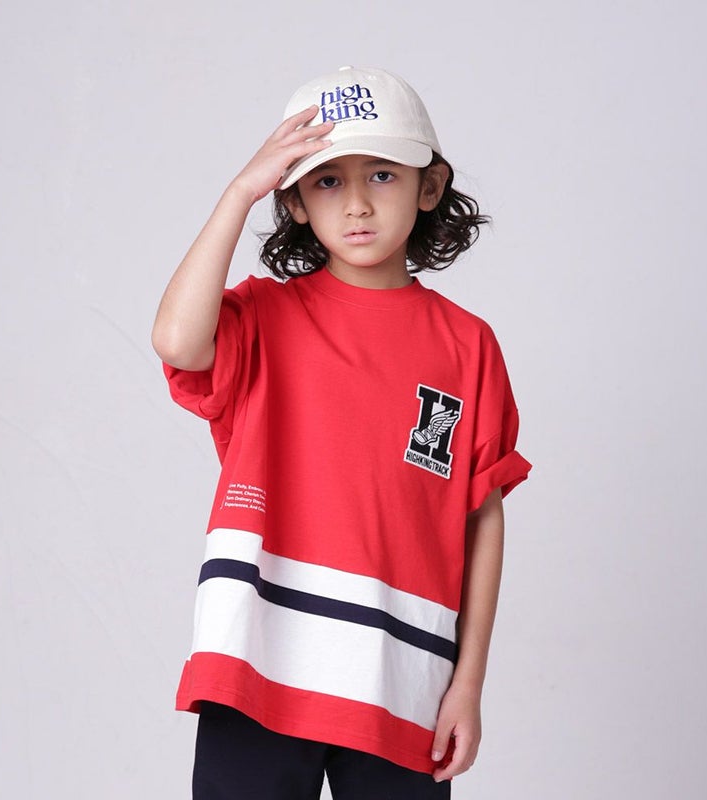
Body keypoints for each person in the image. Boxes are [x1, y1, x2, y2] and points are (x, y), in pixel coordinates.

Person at [152, 66, 531, 800]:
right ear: (294, 200)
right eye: (327, 182)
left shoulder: (467, 345)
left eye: (382, 175)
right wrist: (240, 192)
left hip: (403, 676)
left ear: (429, 187)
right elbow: (176, 341)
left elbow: (482, 515)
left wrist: (468, 682)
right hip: (262, 660)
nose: (357, 203)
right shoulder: (263, 317)